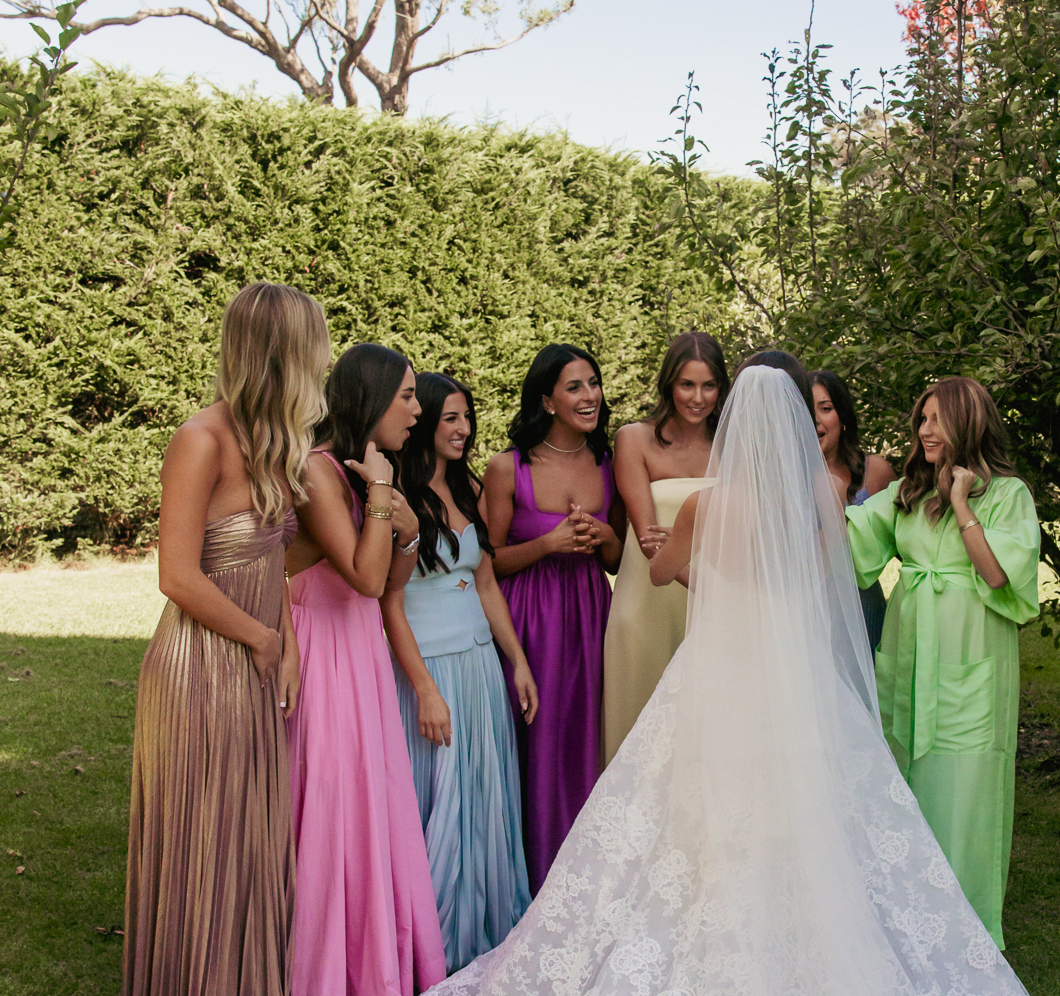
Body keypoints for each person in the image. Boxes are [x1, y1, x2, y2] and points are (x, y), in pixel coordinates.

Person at [420, 366, 1027, 996]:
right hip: (794, 666)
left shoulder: (706, 504)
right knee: (801, 794)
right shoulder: (823, 493)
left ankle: (718, 907)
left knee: (698, 795)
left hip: (720, 662)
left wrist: (681, 557)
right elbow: (821, 579)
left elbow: (661, 574)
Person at [124, 282, 326, 996]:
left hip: (256, 659)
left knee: (249, 835)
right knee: (203, 835)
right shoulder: (200, 440)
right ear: (284, 353)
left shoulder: (274, 445)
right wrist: (260, 639)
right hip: (199, 668)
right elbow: (177, 575)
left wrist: (286, 641)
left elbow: (271, 561)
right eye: (315, 346)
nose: (324, 361)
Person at [844, 377, 1040, 949]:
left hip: (970, 654)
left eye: (936, 420)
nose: (925, 431)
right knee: (902, 776)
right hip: (908, 649)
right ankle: (905, 918)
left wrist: (959, 502)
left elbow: (997, 574)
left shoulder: (1008, 495)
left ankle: (965, 929)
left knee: (964, 783)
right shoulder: (907, 491)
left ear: (967, 423)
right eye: (922, 420)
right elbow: (848, 542)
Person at [285, 343, 445, 996]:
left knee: (372, 800)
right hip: (320, 649)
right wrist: (382, 495)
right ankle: (322, 967)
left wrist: (407, 530)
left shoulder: (371, 471)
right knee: (331, 801)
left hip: (361, 650)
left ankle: (373, 959)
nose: (417, 410)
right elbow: (363, 576)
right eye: (406, 397)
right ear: (372, 399)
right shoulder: (319, 470)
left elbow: (392, 585)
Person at [382, 372, 541, 972]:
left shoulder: (468, 488)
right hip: (425, 668)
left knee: (481, 796)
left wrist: (516, 661)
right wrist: (424, 689)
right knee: (435, 801)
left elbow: (485, 582)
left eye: (466, 417)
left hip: (478, 666)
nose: (464, 429)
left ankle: (483, 932)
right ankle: (429, 945)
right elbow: (387, 601)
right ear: (424, 421)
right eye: (450, 418)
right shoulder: (395, 494)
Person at [482, 343, 625, 890]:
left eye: (593, 383)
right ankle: (532, 879)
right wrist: (548, 543)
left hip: (590, 618)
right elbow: (487, 562)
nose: (590, 396)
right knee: (535, 747)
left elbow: (616, 560)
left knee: (586, 740)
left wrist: (605, 536)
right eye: (574, 387)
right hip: (530, 621)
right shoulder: (508, 467)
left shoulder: (608, 463)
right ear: (547, 400)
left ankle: (586, 880)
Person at [603, 332, 729, 764]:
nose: (698, 398)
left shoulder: (732, 445)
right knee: (641, 738)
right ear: (668, 385)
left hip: (717, 606)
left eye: (709, 385)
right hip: (648, 601)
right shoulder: (633, 439)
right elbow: (648, 538)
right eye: (687, 385)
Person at [810, 369, 897, 650]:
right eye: (807, 409)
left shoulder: (876, 473)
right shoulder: (786, 481)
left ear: (843, 417)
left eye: (826, 408)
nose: (815, 419)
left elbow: (908, 546)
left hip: (863, 609)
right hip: (807, 615)